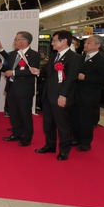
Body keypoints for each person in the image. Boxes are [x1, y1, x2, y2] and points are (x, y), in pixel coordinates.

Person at [33, 30, 81, 161]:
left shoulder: (74, 58)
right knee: (48, 124)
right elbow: (49, 74)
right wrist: (38, 72)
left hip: (61, 96)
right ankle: (50, 145)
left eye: (54, 40)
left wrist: (63, 95)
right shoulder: (55, 56)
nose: (52, 43)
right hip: (48, 95)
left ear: (64, 41)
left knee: (63, 125)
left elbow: (70, 78)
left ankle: (64, 150)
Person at [1, 32, 41, 147]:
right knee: (13, 113)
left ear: (25, 41)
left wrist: (14, 72)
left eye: (16, 39)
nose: (15, 41)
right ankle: (16, 133)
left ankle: (27, 137)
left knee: (25, 114)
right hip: (12, 88)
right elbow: (8, 69)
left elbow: (32, 71)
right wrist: (0, 66)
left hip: (24, 89)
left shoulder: (34, 55)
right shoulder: (13, 54)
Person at [70, 35, 104, 152]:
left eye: (89, 43)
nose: (85, 44)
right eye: (86, 42)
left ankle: (86, 143)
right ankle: (76, 138)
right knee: (75, 117)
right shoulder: (83, 57)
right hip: (77, 93)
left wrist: (86, 77)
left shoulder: (102, 59)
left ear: (97, 46)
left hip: (89, 95)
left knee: (86, 120)